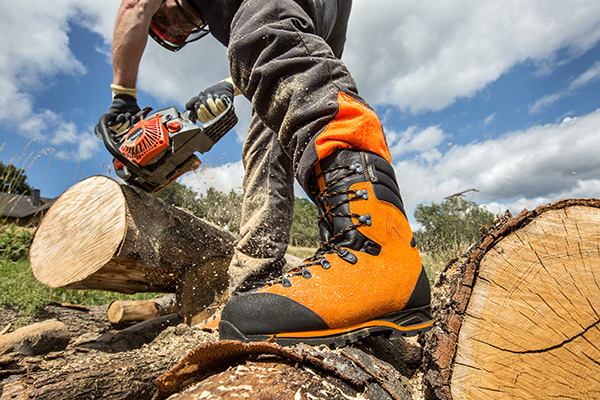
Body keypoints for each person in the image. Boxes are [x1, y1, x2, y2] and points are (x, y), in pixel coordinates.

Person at [99, 0, 433, 346]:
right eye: (175, 34)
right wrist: (230, 83)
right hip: (322, 20)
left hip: (293, 15)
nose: (179, 29)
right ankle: (257, 288)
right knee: (270, 132)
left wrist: (122, 99)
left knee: (260, 37)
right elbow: (283, 50)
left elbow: (134, 5)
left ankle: (375, 248)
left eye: (167, 22)